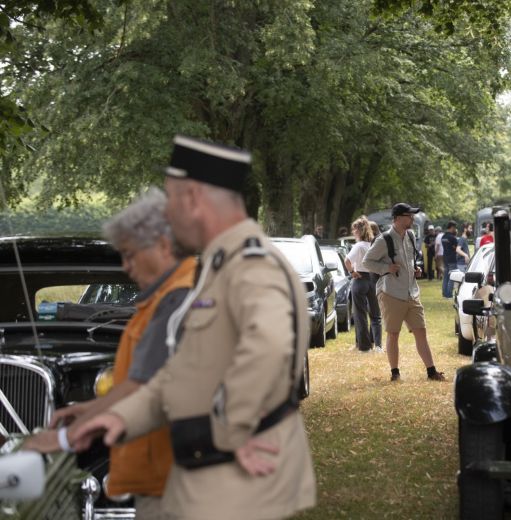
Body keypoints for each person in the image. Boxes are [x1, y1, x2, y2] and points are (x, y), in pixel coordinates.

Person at [73, 135, 316, 519]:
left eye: (170, 201)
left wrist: (230, 432)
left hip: (229, 484)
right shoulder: (220, 266)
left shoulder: (251, 265)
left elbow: (270, 345)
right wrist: (118, 417)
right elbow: (182, 373)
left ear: (192, 199)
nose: (166, 217)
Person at [23, 188, 196, 519]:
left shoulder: (178, 301)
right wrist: (89, 407)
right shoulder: (165, 299)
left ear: (162, 244)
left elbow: (141, 389)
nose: (126, 267)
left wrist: (62, 439)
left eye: (130, 254)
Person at [363, 202, 445, 382]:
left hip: (411, 292)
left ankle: (432, 372)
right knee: (393, 334)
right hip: (391, 293)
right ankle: (395, 373)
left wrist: (415, 269)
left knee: (421, 331)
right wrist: (386, 268)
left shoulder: (410, 234)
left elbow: (408, 260)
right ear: (398, 218)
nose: (413, 218)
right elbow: (367, 262)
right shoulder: (384, 239)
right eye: (409, 216)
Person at [345, 215, 375, 352]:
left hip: (360, 279)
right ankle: (372, 342)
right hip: (373, 280)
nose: (353, 232)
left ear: (359, 231)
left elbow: (347, 260)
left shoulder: (358, 246)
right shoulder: (372, 245)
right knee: (374, 314)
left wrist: (352, 272)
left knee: (360, 314)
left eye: (354, 229)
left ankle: (364, 346)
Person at [367, 220, 383, 351]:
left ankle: (377, 344)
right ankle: (371, 340)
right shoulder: (380, 239)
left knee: (375, 314)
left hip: (375, 279)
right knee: (373, 312)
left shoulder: (376, 241)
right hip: (377, 279)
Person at [441, 221, 459, 298]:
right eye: (455, 228)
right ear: (452, 227)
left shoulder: (443, 237)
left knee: (445, 277)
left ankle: (444, 293)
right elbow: (456, 248)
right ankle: (449, 294)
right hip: (452, 259)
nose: (455, 229)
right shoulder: (452, 237)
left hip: (445, 258)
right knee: (452, 277)